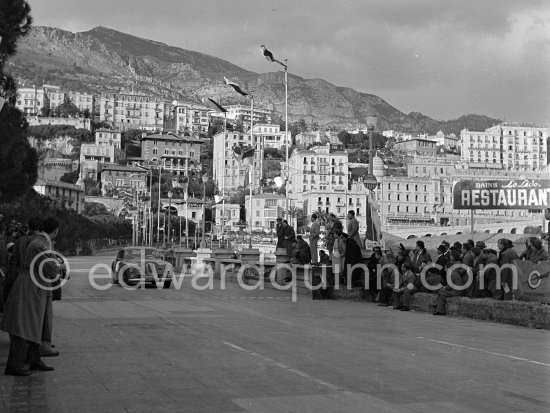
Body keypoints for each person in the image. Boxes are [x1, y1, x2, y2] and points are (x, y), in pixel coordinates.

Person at [2, 217, 63, 375]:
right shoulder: (40, 244)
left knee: (33, 325)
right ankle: (15, 366)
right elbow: (49, 269)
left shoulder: (40, 242)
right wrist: (59, 267)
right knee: (25, 325)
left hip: (33, 286)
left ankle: (32, 360)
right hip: (29, 287)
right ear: (55, 231)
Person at [433, 250, 468, 315]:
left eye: (446, 268)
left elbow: (450, 286)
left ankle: (436, 305)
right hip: (458, 290)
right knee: (442, 295)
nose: (445, 270)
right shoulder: (453, 272)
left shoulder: (451, 274)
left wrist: (445, 287)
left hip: (457, 291)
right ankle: (439, 310)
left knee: (441, 291)